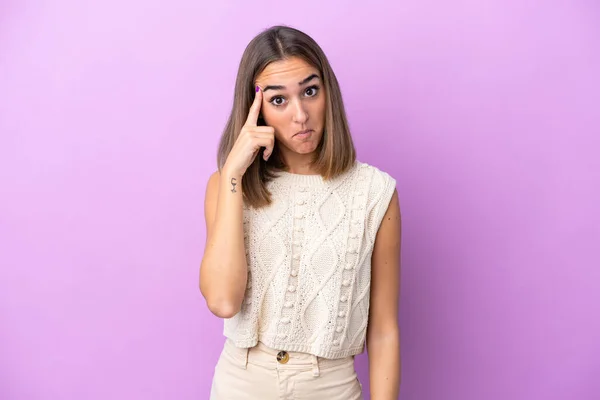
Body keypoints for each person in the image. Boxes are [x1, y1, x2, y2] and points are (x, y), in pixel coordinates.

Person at [200, 25, 402, 400]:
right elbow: (223, 300)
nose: (300, 114)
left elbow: (384, 329)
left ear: (328, 91)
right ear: (254, 109)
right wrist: (232, 175)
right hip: (241, 384)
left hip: (331, 387)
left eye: (310, 91)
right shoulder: (227, 186)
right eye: (278, 100)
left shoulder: (375, 193)